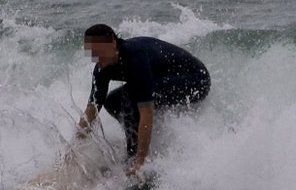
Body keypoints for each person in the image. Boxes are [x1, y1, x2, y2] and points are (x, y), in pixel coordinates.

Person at [75, 24, 211, 178]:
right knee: (112, 101)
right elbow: (92, 108)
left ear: (112, 42)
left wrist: (141, 162)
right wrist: (74, 146)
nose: (96, 58)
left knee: (132, 98)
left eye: (99, 51)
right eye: (92, 53)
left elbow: (146, 112)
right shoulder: (101, 68)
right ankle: (133, 149)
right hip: (162, 80)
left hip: (196, 80)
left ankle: (136, 159)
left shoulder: (135, 57)